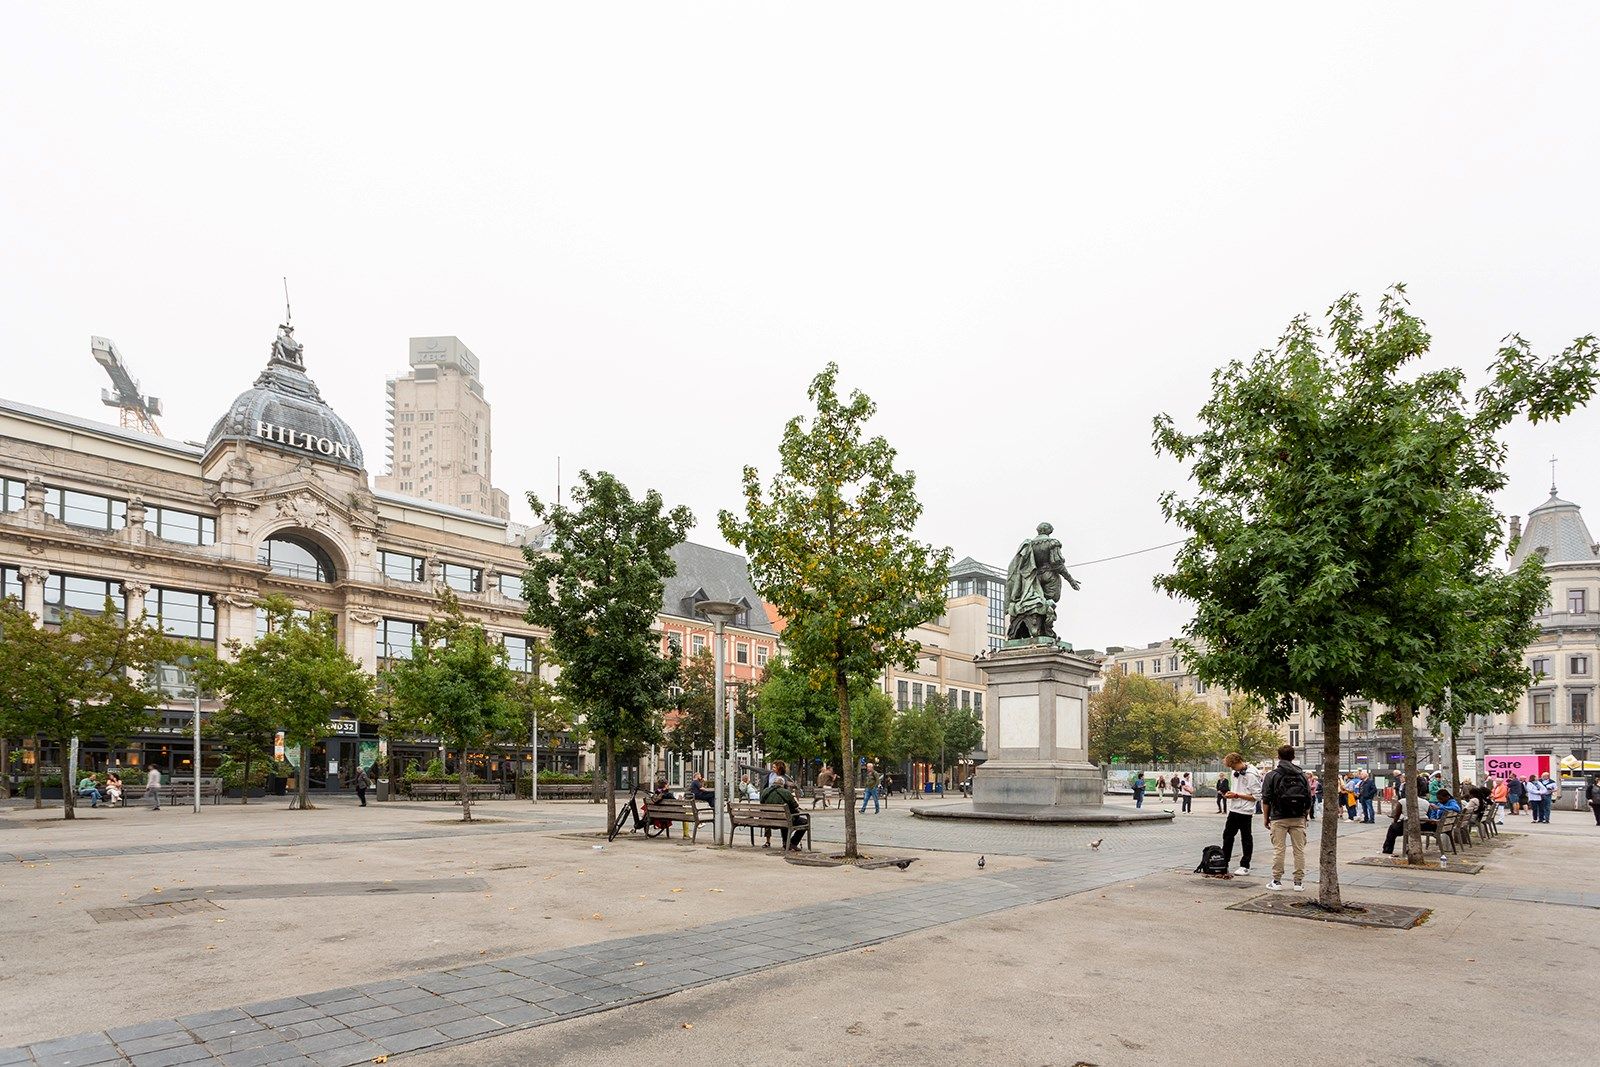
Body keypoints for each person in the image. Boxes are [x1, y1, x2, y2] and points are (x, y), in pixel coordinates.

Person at [1261, 745, 1311, 891]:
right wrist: (1305, 816)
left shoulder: (1272, 775)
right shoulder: (1302, 775)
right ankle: (1298, 883)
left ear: (1278, 756)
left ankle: (1276, 881)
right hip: (1298, 817)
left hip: (1279, 817)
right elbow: (1308, 798)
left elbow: (1266, 799)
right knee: (1299, 850)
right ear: (1293, 757)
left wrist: (1266, 818)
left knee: (1279, 849)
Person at [1221, 753, 1261, 876]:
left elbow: (1257, 796)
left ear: (1237, 762)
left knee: (1246, 838)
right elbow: (1237, 789)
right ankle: (1224, 861)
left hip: (1245, 811)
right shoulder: (1235, 773)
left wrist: (1237, 795)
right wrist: (1230, 794)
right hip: (1234, 809)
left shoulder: (1251, 775)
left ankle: (1245, 865)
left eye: (1232, 766)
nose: (1232, 769)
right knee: (1227, 835)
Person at [760, 774, 809, 851]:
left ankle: (786, 843)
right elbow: (795, 805)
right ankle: (792, 843)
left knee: (785, 818)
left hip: (768, 820)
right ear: (782, 784)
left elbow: (762, 803)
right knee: (804, 821)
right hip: (783, 820)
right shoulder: (786, 793)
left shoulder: (765, 791)